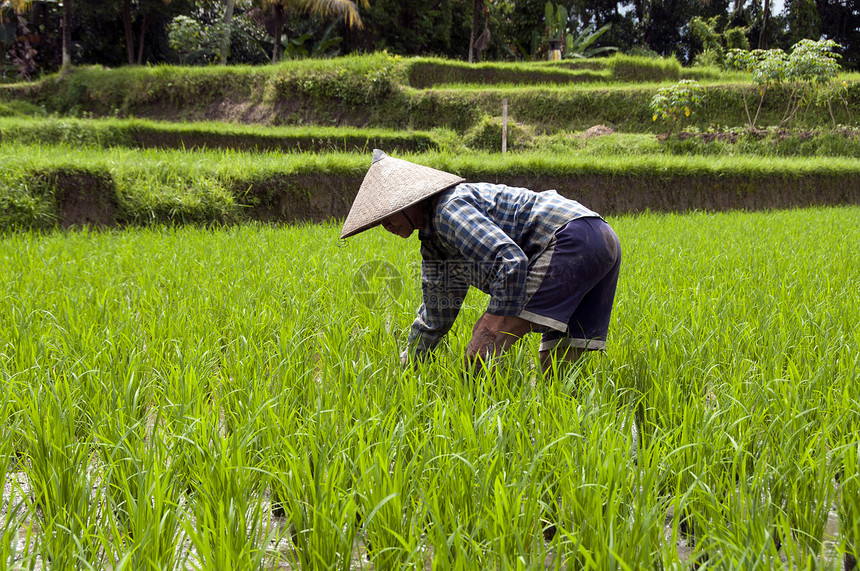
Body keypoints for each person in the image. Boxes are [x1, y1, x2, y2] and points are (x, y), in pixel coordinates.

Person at [340, 150, 621, 372]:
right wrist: (409, 361)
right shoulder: (435, 243)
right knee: (559, 375)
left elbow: (509, 260)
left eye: (389, 213)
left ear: (411, 202)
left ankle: (479, 420)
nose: (385, 224)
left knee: (484, 343)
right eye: (379, 220)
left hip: (568, 239)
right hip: (600, 236)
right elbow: (436, 314)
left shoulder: (448, 209)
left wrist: (491, 322)